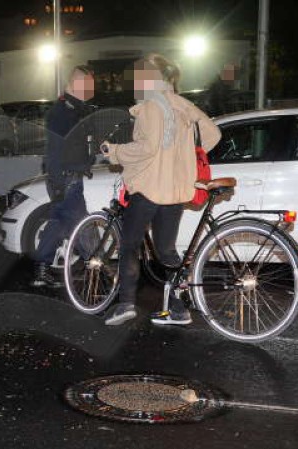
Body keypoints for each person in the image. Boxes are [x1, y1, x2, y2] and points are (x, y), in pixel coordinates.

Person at [100, 54, 221, 326]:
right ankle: (179, 310)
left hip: (149, 189)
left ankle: (126, 305)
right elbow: (213, 134)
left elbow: (147, 148)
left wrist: (115, 151)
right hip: (176, 191)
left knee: (129, 245)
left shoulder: (152, 106)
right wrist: (184, 157)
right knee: (166, 251)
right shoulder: (184, 105)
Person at [33, 65, 96, 287]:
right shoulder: (63, 112)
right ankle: (98, 265)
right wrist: (59, 180)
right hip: (66, 178)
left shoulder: (73, 110)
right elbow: (58, 148)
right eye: (87, 86)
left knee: (58, 223)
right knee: (82, 222)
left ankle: (41, 270)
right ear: (75, 84)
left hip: (65, 177)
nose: (91, 91)